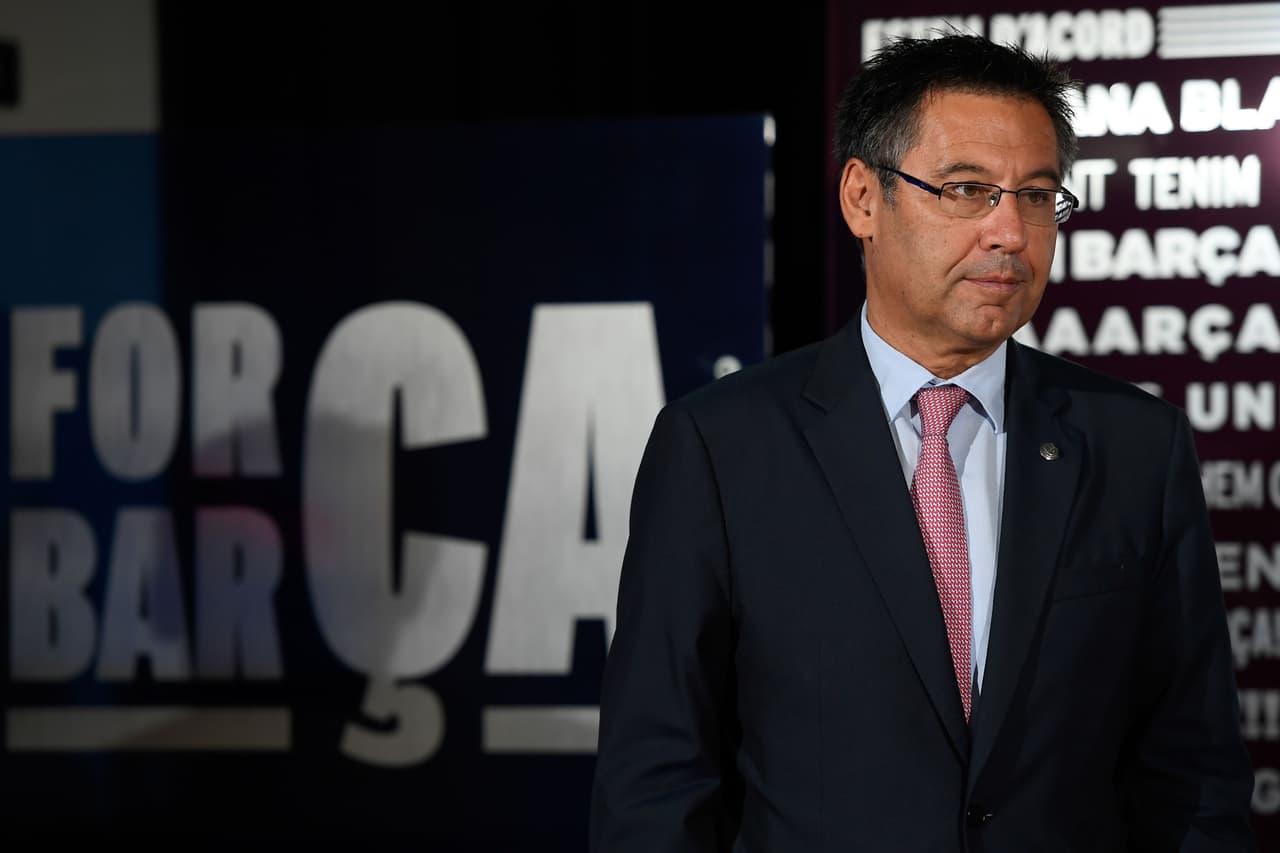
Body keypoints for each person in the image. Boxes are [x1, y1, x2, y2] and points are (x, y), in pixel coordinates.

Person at [589, 33, 1256, 851]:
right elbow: (656, 780)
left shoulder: (1135, 446)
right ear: (864, 199)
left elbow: (1191, 774)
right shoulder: (721, 446)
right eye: (968, 189)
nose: (1010, 231)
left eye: (1038, 195)